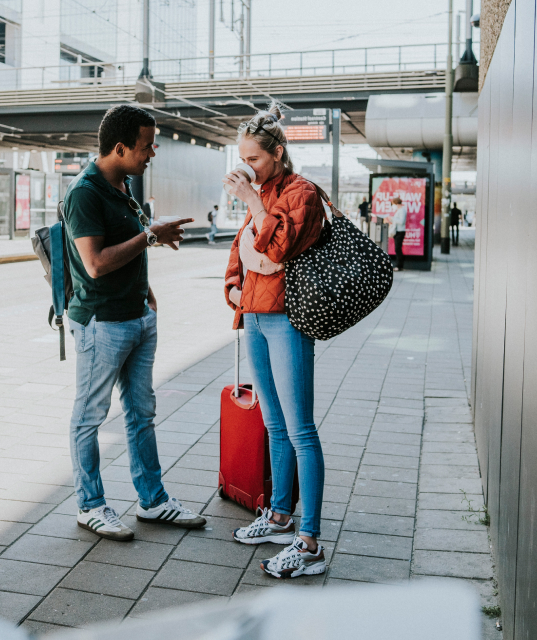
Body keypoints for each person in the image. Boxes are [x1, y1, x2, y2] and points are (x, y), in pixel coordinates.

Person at [62, 105, 205, 541]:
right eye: (147, 146)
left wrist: (147, 294)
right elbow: (95, 263)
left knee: (142, 413)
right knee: (90, 416)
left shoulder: (123, 186)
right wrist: (150, 236)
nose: (152, 153)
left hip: (138, 317)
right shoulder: (84, 193)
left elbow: (130, 247)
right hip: (102, 324)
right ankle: (90, 506)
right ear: (121, 147)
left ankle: (152, 500)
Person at [223, 100, 327, 579]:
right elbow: (242, 247)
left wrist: (252, 199)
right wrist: (233, 285)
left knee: (301, 429)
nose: (248, 166)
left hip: (287, 318)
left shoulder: (301, 193)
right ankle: (281, 517)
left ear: (278, 153)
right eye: (243, 158)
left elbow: (278, 245)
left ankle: (309, 543)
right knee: (274, 424)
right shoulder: (262, 192)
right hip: (256, 316)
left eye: (256, 158)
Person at [390, 196, 407, 271]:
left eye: (393, 204)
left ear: (396, 203)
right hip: (397, 231)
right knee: (397, 249)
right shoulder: (399, 210)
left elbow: (401, 221)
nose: (392, 205)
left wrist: (392, 218)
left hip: (400, 231)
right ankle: (399, 265)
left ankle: (399, 265)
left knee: (398, 249)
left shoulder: (402, 210)